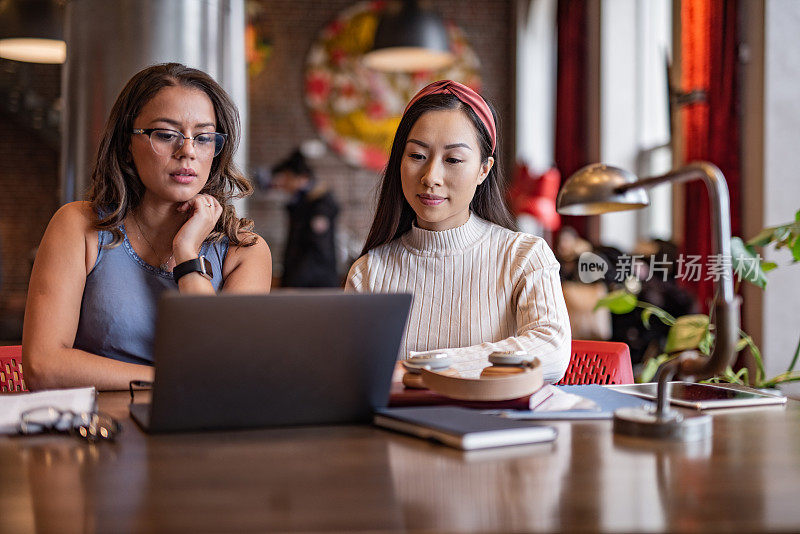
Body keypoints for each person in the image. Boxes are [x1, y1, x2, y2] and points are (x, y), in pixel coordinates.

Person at [22, 63, 272, 391]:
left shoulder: (245, 251)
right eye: (166, 135)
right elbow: (43, 367)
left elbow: (223, 368)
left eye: (204, 137)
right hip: (96, 433)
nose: (187, 151)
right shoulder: (79, 226)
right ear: (128, 142)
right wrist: (168, 380)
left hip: (198, 435)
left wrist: (187, 255)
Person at [345, 80, 571, 381]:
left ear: (483, 169)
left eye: (453, 159)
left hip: (494, 427)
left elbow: (551, 351)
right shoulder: (370, 271)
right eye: (417, 156)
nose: (431, 177)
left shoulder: (524, 256)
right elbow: (353, 374)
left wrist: (428, 368)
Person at [271, 149, 339, 287]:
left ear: (300, 177)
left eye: (286, 177)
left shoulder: (320, 205)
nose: (282, 183)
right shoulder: (300, 202)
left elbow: (317, 249)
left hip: (314, 285)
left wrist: (293, 284)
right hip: (301, 281)